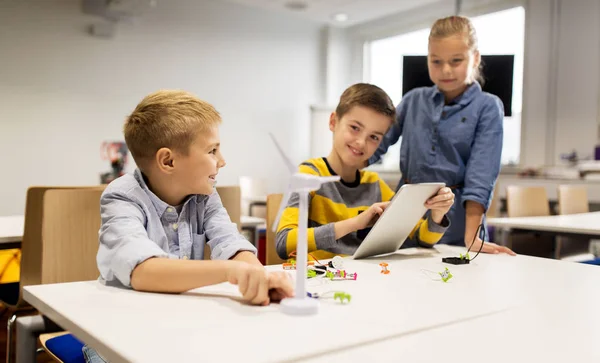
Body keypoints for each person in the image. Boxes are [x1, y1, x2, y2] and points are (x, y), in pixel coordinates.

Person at [97, 90, 294, 303]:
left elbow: (230, 243)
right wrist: (231, 270)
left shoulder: (204, 195)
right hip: (125, 314)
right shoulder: (122, 196)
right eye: (212, 151)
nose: (222, 160)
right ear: (168, 161)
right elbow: (143, 271)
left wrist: (260, 277)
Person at [369, 16, 515, 255]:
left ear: (475, 58)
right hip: (404, 218)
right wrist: (336, 169)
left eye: (456, 60)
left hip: (458, 224)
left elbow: (481, 175)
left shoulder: (487, 107)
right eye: (436, 61)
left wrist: (472, 237)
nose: (445, 70)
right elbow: (376, 144)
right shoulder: (413, 100)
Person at [275, 83, 454, 260]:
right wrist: (355, 224)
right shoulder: (308, 176)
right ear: (333, 122)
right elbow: (284, 243)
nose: (361, 142)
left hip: (361, 281)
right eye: (355, 128)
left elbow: (421, 239)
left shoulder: (375, 184)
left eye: (374, 137)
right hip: (319, 281)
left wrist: (437, 215)